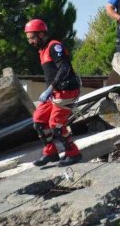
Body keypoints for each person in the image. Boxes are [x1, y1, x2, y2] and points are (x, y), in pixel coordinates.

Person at [24, 19, 82, 167]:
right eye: (28, 38)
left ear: (42, 34)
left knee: (56, 125)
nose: (30, 41)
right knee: (39, 121)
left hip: (66, 90)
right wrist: (51, 90)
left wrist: (51, 88)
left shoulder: (54, 46)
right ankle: (51, 153)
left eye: (32, 38)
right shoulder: (42, 50)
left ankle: (73, 154)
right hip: (55, 92)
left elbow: (64, 68)